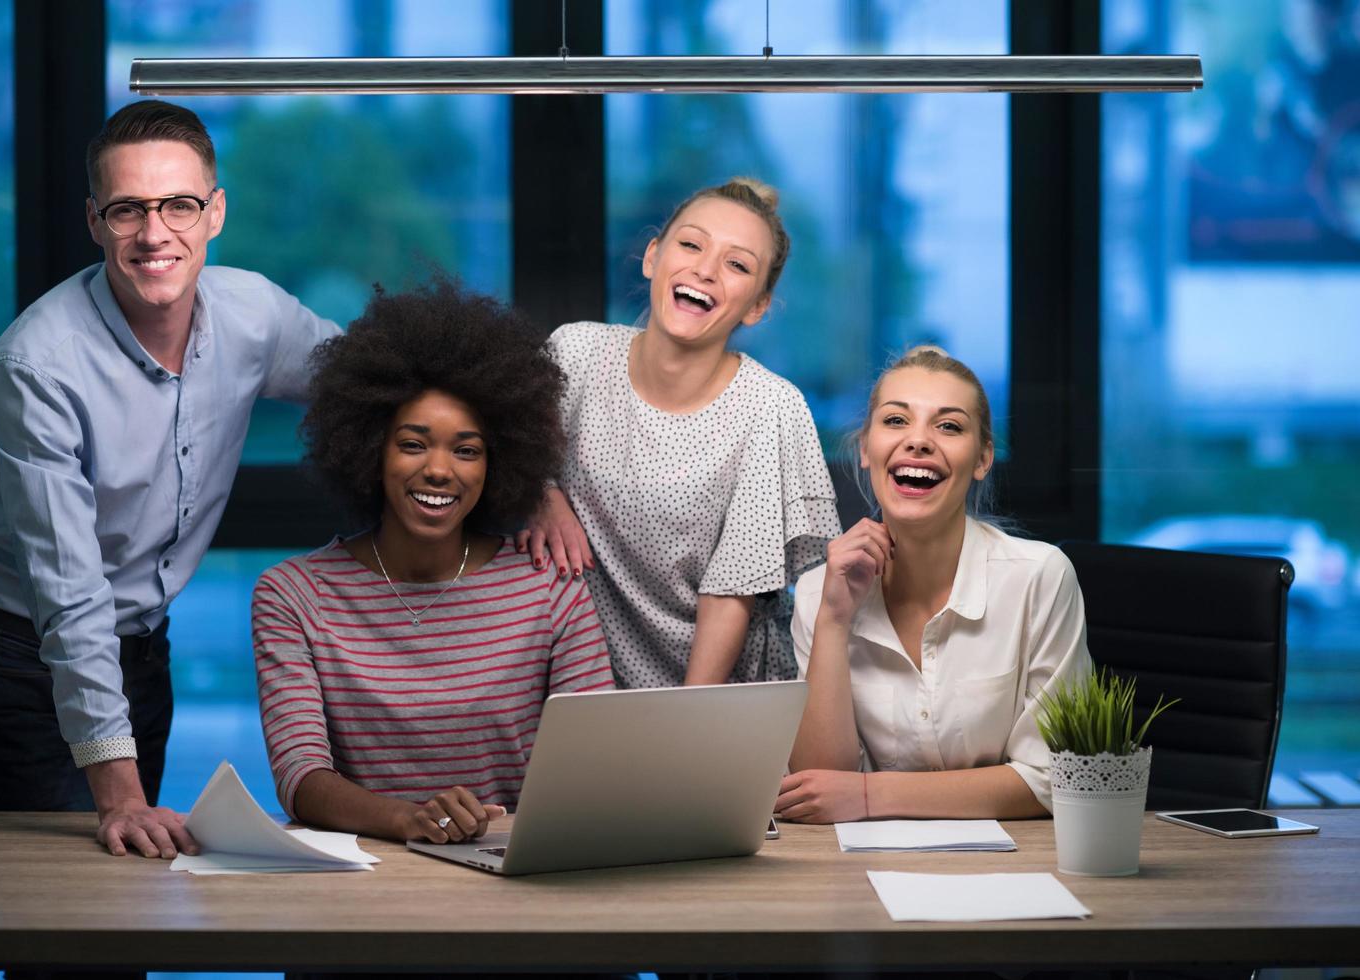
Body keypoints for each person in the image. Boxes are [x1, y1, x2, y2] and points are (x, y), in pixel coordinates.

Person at [0, 100, 342, 859]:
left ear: (215, 212)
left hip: (141, 652)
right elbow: (69, 590)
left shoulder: (254, 314)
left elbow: (383, 384)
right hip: (15, 655)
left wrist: (537, 480)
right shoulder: (37, 365)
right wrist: (119, 793)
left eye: (179, 206)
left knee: (129, 898)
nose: (155, 234)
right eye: (128, 210)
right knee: (71, 910)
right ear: (95, 222)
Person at [251, 279, 614, 844]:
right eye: (414, 444)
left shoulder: (548, 587)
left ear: (498, 463)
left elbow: (596, 763)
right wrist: (407, 818)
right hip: (364, 881)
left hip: (516, 876)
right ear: (371, 449)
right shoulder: (295, 596)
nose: (440, 470)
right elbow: (301, 778)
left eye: (466, 450)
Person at [519, 177, 840, 689]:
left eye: (737, 265)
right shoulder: (573, 354)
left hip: (718, 697)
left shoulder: (770, 408)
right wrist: (541, 489)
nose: (706, 270)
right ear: (652, 257)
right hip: (577, 687)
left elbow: (731, 593)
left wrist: (685, 732)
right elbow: (497, 457)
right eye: (691, 244)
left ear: (757, 306)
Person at [776, 346, 1093, 822]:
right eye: (896, 421)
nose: (918, 442)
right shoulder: (820, 592)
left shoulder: (1040, 578)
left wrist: (868, 796)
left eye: (948, 426)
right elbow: (819, 787)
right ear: (865, 448)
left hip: (1012, 869)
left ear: (983, 458)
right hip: (859, 871)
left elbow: (1055, 777)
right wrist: (834, 620)